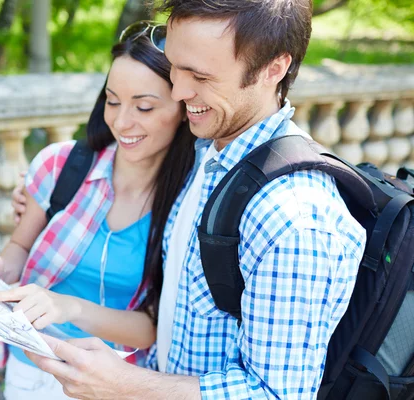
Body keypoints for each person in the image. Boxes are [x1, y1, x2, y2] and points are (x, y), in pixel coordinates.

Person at [22, 1, 368, 399]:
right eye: (174, 66)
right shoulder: (208, 154)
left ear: (273, 69)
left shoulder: (292, 220)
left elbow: (275, 394)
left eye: (200, 76)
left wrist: (122, 383)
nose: (179, 91)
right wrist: (36, 194)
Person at [0, 22, 195, 400]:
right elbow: (17, 252)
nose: (122, 122)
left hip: (115, 381)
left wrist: (67, 308)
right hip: (33, 366)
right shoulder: (60, 166)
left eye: (144, 106)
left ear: (184, 109)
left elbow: (152, 327)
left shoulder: (189, 203)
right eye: (112, 101)